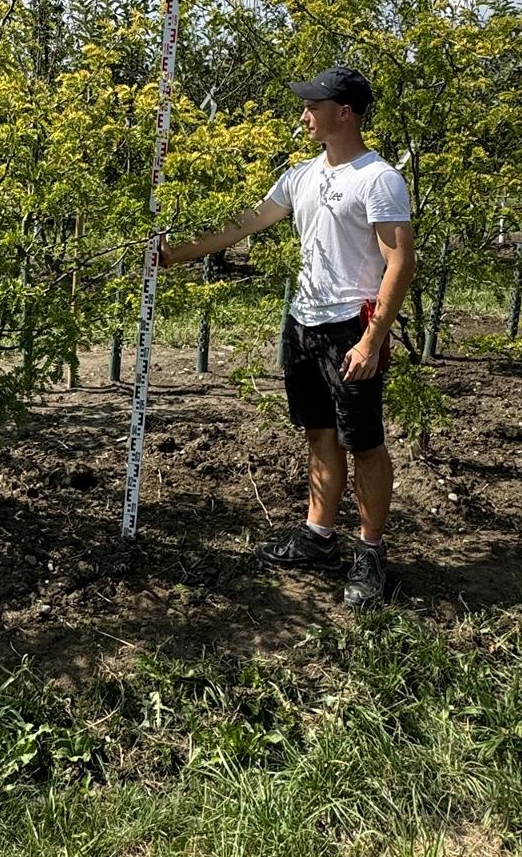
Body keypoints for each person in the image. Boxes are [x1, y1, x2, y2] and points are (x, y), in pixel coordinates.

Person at [159, 66, 415, 608]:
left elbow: (399, 263)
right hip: (302, 324)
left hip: (351, 326)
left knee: (364, 443)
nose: (303, 114)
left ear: (343, 112)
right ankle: (319, 537)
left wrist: (371, 340)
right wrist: (173, 255)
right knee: (318, 434)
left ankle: (370, 554)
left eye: (312, 105)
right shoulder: (300, 176)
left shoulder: (379, 179)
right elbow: (244, 224)